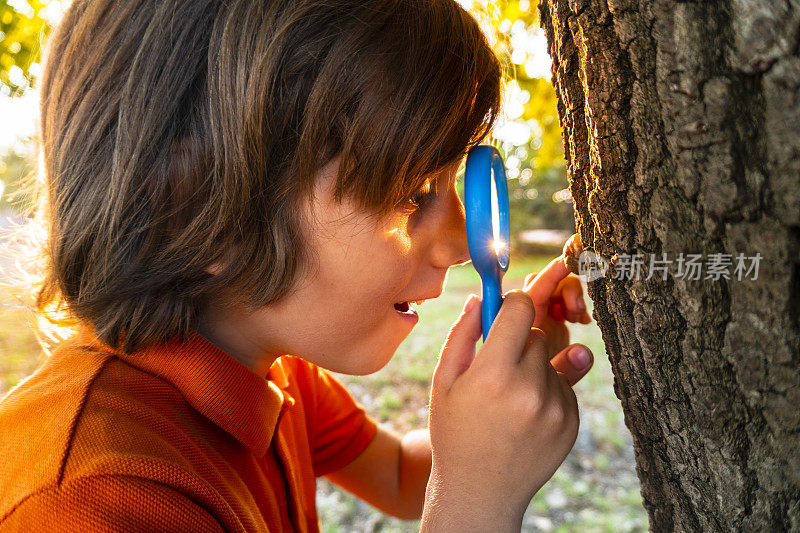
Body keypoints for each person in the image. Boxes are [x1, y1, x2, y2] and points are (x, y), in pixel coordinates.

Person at [0, 0, 594, 531]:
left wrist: (489, 426)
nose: (463, 244)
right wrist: (474, 508)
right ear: (201, 207)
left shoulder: (271, 369)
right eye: (414, 192)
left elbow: (398, 476)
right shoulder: (91, 499)